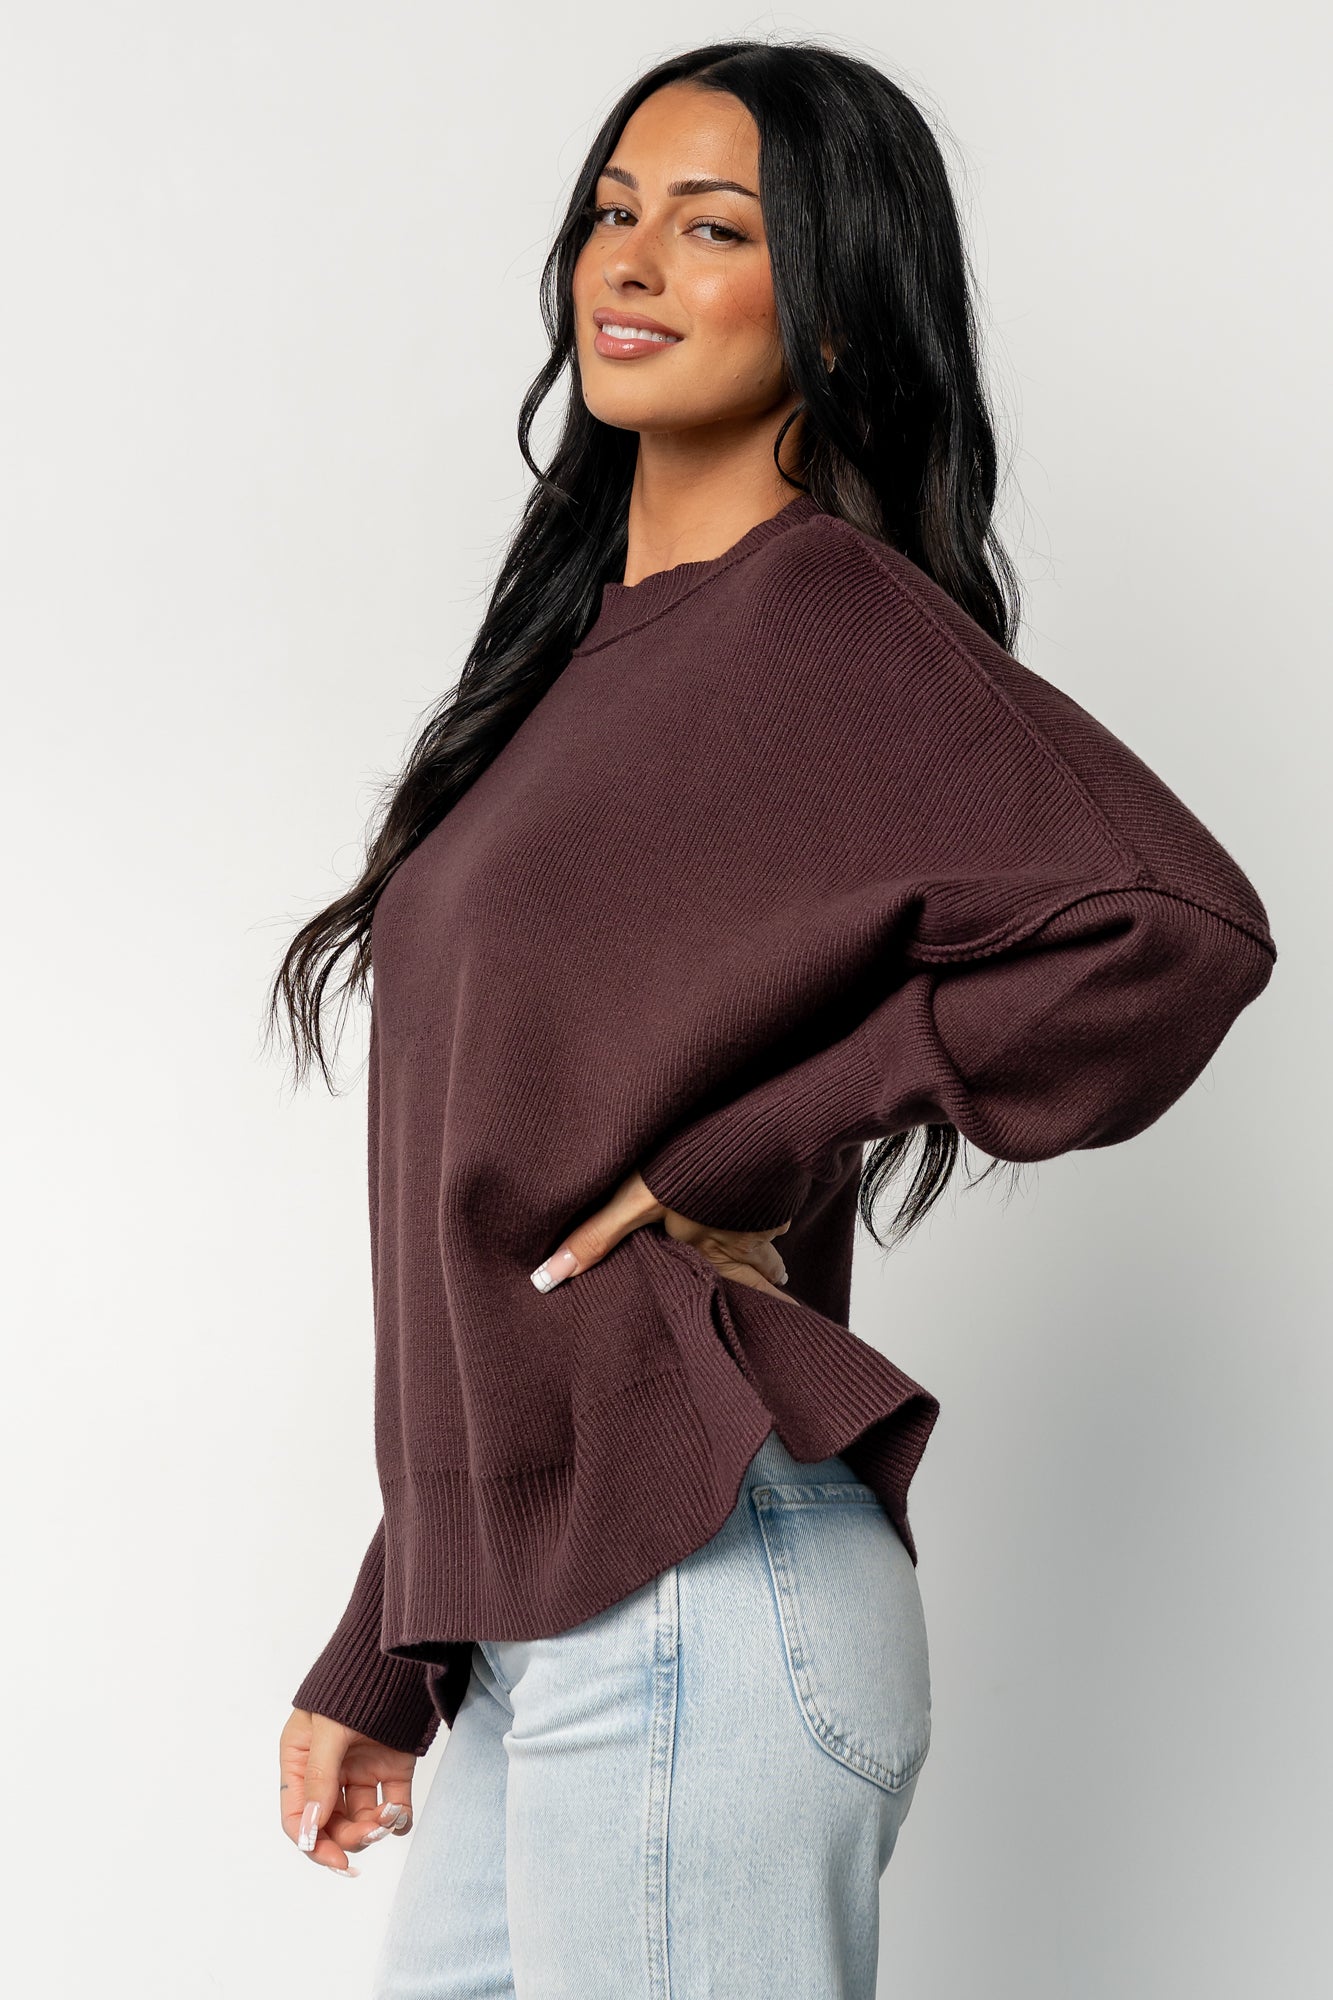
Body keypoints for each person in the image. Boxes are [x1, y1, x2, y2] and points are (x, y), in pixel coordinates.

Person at [271, 39, 1276, 2000]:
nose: (633, 259)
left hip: (699, 1598)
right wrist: (390, 1638)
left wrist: (758, 1143)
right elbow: (521, 1224)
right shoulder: (566, 674)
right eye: (612, 210)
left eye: (715, 226)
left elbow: (1176, 927)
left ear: (830, 301)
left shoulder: (819, 615)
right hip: (560, 1619)